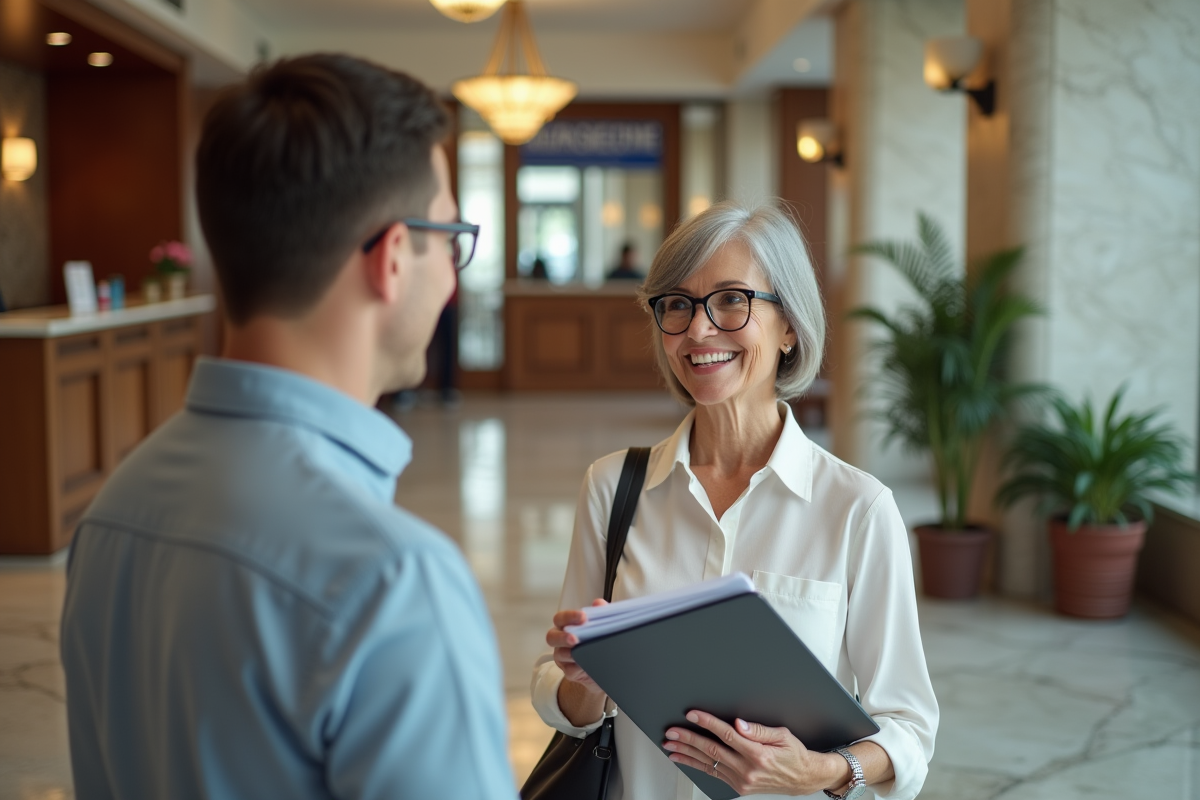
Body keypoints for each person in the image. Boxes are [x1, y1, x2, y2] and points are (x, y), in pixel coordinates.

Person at [60, 55, 515, 800]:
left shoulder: (114, 508)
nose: (453, 276)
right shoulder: (394, 581)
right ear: (394, 257)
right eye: (450, 236)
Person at [532, 202, 938, 800]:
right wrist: (587, 682)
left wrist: (823, 772)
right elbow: (562, 697)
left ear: (791, 325)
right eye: (677, 303)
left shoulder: (858, 509)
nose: (698, 330)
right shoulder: (612, 488)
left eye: (731, 300)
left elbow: (909, 730)